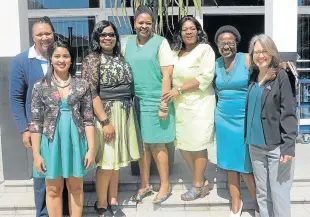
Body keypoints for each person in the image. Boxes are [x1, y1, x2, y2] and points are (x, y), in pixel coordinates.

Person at [30, 40, 95, 217]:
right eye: (57, 56)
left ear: (71, 60)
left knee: (76, 187)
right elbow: (36, 122)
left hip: (76, 141)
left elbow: (89, 119)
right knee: (52, 189)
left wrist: (91, 149)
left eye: (65, 56)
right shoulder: (40, 87)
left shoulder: (83, 85)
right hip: (51, 142)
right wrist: (36, 154)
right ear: (50, 59)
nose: (61, 60)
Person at [82, 20, 140, 217]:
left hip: (123, 112)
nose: (108, 38)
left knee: (116, 162)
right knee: (106, 162)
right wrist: (105, 122)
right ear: (97, 38)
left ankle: (113, 199)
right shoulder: (93, 59)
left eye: (111, 34)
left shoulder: (120, 57)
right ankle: (101, 203)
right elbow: (91, 93)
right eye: (103, 34)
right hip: (105, 114)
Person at [123, 5, 175, 204]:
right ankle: (145, 184)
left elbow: (167, 75)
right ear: (134, 23)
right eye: (140, 22)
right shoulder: (127, 44)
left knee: (156, 144)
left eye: (148, 22)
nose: (144, 26)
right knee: (141, 145)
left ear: (153, 24)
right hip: (135, 100)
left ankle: (164, 185)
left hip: (155, 100)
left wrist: (163, 105)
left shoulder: (161, 43)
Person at [162, 16, 215, 201]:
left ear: (198, 31)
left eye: (193, 28)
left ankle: (198, 185)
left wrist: (179, 89)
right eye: (185, 29)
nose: (189, 32)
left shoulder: (205, 49)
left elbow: (205, 77)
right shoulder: (176, 52)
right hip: (180, 105)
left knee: (199, 144)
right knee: (184, 145)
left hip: (200, 103)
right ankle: (201, 179)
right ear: (180, 33)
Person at [246, 34, 297, 217]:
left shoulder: (281, 76)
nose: (260, 55)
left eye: (264, 51)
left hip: (277, 147)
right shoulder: (252, 76)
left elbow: (289, 113)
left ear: (272, 53)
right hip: (255, 146)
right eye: (256, 52)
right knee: (262, 193)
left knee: (279, 194)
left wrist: (288, 147)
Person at [9, 16, 54, 217]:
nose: (45, 37)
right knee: (41, 171)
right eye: (40, 34)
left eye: (48, 33)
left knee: (61, 169)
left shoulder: (60, 55)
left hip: (62, 124)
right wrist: (24, 129)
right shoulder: (22, 60)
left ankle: (61, 210)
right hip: (37, 128)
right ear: (32, 36)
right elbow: (16, 98)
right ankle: (44, 213)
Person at [213, 25, 259, 217]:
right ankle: (236, 202)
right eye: (222, 43)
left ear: (236, 43)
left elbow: (264, 73)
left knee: (246, 165)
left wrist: (280, 64)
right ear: (217, 45)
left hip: (244, 118)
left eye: (229, 42)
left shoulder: (247, 59)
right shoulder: (215, 63)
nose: (226, 46)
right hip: (223, 119)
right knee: (230, 163)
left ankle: (259, 202)